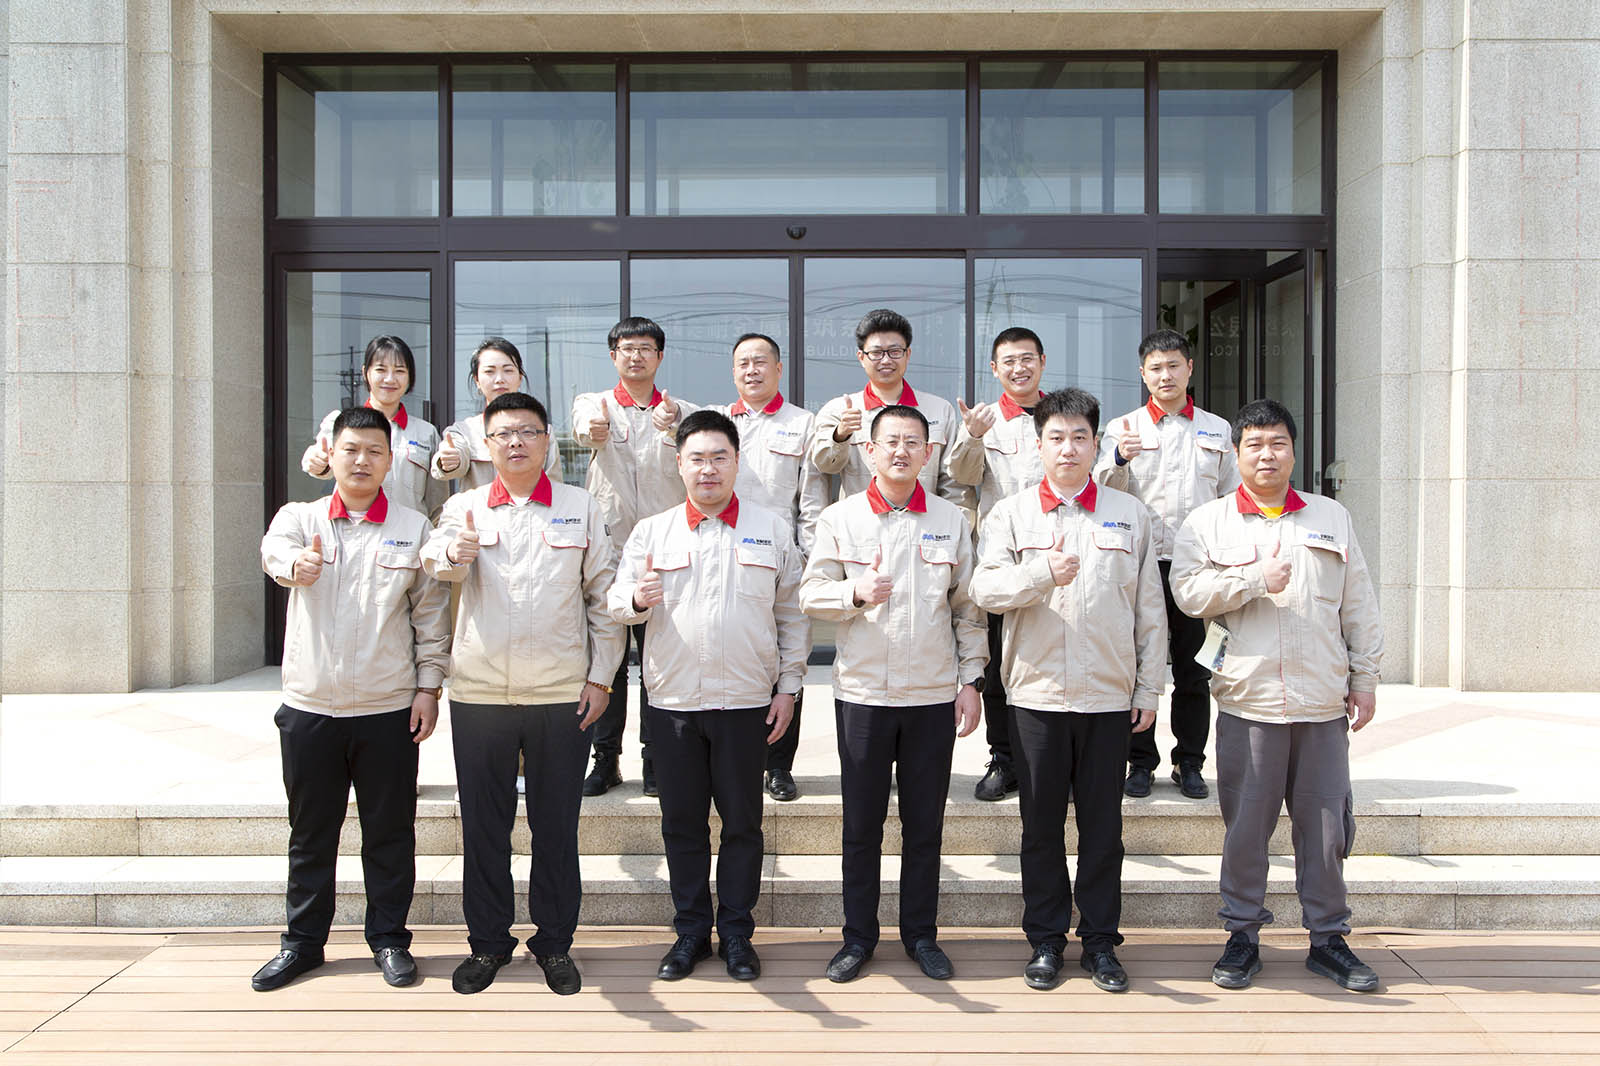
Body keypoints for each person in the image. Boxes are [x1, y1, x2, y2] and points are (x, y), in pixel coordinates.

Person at [1170, 398, 1384, 993]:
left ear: (1293, 450)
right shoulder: (1207, 522)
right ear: (1236, 454)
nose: (1267, 455)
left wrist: (1364, 678)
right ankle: (1242, 936)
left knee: (1326, 830)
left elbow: (1359, 603)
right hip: (1250, 701)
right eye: (1255, 445)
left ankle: (1328, 939)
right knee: (1245, 829)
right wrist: (1250, 580)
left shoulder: (1331, 516)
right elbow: (1187, 594)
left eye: (1278, 444)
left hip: (1321, 702)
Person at [421, 392, 625, 996]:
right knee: (485, 828)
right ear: (487, 445)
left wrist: (601, 677)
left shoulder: (578, 506)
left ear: (547, 440)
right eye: (504, 433)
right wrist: (451, 552)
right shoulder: (463, 507)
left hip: (561, 694)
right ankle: (487, 944)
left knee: (556, 828)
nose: (516, 442)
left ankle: (554, 944)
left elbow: (603, 598)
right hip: (480, 693)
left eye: (528, 432)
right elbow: (434, 562)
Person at [970, 388, 1165, 994]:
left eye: (1081, 437)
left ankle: (1101, 943)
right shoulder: (1010, 515)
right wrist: (1040, 573)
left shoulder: (1129, 514)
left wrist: (1149, 688)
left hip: (1108, 697)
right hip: (1037, 696)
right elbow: (984, 591)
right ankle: (1046, 941)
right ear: (1039, 445)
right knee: (1041, 828)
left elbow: (1149, 611)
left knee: (1104, 831)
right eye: (1056, 437)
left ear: (1096, 443)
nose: (1069, 448)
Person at [607, 409, 808, 983]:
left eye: (720, 457)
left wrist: (789, 687)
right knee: (682, 824)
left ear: (737, 462)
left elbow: (792, 615)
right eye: (697, 458)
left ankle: (738, 934)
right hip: (673, 706)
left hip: (746, 704)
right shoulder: (653, 532)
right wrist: (638, 600)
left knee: (743, 824)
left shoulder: (771, 529)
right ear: (679, 464)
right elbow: (616, 602)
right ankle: (691, 932)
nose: (709, 469)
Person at [255, 406, 450, 992]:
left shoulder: (414, 528)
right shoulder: (300, 518)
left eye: (374, 450)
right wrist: (295, 564)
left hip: (387, 708)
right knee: (310, 833)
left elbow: (430, 616)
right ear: (331, 455)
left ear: (390, 461)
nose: (362, 460)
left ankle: (389, 939)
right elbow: (273, 552)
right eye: (351, 449)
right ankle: (302, 943)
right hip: (311, 707)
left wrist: (429, 687)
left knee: (390, 834)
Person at [799, 404, 986, 984]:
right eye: (891, 442)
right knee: (861, 826)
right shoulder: (841, 518)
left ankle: (921, 936)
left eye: (913, 442)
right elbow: (810, 594)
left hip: (931, 696)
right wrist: (855, 593)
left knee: (924, 826)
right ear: (870, 451)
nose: (901, 451)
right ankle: (858, 938)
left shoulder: (952, 520)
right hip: (864, 696)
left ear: (929, 454)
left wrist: (971, 680)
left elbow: (967, 608)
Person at [1093, 328, 1241, 800]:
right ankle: (1139, 762)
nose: (1165, 375)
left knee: (1196, 670)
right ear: (1143, 374)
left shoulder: (1218, 430)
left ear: (1189, 368)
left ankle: (1189, 762)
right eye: (1155, 368)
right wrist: (1119, 459)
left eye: (1174, 365)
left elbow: (1232, 499)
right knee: (1141, 667)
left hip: (1198, 568)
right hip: (1141, 567)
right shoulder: (1124, 428)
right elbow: (1101, 493)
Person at [574, 317, 695, 797]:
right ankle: (605, 759)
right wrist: (594, 429)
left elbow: (693, 441)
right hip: (608, 552)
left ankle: (655, 759)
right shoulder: (595, 404)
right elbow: (585, 430)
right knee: (607, 660)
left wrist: (676, 421)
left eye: (645, 348)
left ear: (660, 356)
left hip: (663, 556)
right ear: (613, 356)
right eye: (627, 348)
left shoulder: (680, 410)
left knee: (657, 663)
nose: (636, 356)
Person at [709, 333, 827, 801]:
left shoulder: (803, 423)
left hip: (781, 559)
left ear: (779, 369)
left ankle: (778, 764)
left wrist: (808, 556)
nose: (751, 370)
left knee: (787, 657)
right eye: (743, 363)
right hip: (723, 554)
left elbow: (811, 496)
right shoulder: (716, 420)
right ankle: (730, 759)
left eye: (760, 362)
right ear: (733, 372)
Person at [946, 326, 1049, 802]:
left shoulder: (1062, 418)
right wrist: (971, 436)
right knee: (999, 666)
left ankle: (1053, 762)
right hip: (1000, 562)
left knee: (1052, 660)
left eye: (1027, 359)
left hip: (1055, 560)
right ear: (994, 369)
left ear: (1042, 362)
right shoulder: (984, 422)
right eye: (1008, 361)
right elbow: (962, 476)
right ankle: (1004, 759)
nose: (1018, 368)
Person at [809, 308, 968, 510]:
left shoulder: (939, 410)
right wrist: (841, 435)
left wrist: (952, 522)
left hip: (925, 523)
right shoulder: (839, 410)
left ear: (907, 354)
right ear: (861, 357)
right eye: (876, 353)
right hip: (861, 524)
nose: (886, 360)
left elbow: (953, 482)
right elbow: (825, 466)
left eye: (894, 352)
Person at [300, 335, 444, 516]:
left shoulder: (426, 433)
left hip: (408, 532)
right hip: (353, 528)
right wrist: (318, 461)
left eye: (399, 371)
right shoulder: (340, 423)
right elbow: (315, 459)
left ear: (410, 377)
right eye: (381, 369)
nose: (390, 379)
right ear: (365, 373)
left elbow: (437, 504)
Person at [431, 336, 563, 492]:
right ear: (477, 380)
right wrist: (449, 460)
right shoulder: (464, 431)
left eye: (508, 370)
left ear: (520, 378)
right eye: (489, 371)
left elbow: (554, 487)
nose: (499, 379)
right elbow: (452, 455)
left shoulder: (543, 431)